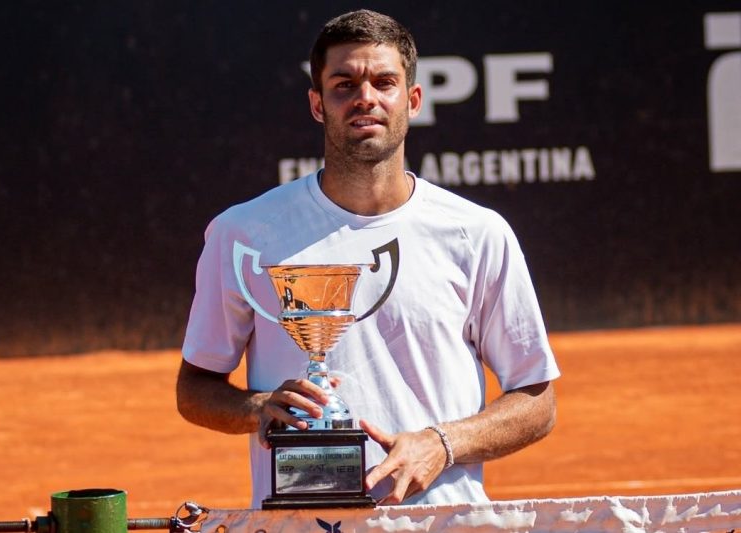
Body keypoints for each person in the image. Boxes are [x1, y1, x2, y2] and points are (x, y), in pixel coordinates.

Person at [177, 9, 560, 508]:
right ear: (317, 104)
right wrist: (258, 408)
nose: (365, 98)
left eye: (384, 82)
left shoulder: (476, 233)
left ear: (414, 99)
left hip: (440, 521)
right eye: (344, 84)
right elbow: (195, 388)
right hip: (301, 519)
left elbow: (538, 401)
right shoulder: (243, 233)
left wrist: (441, 445)